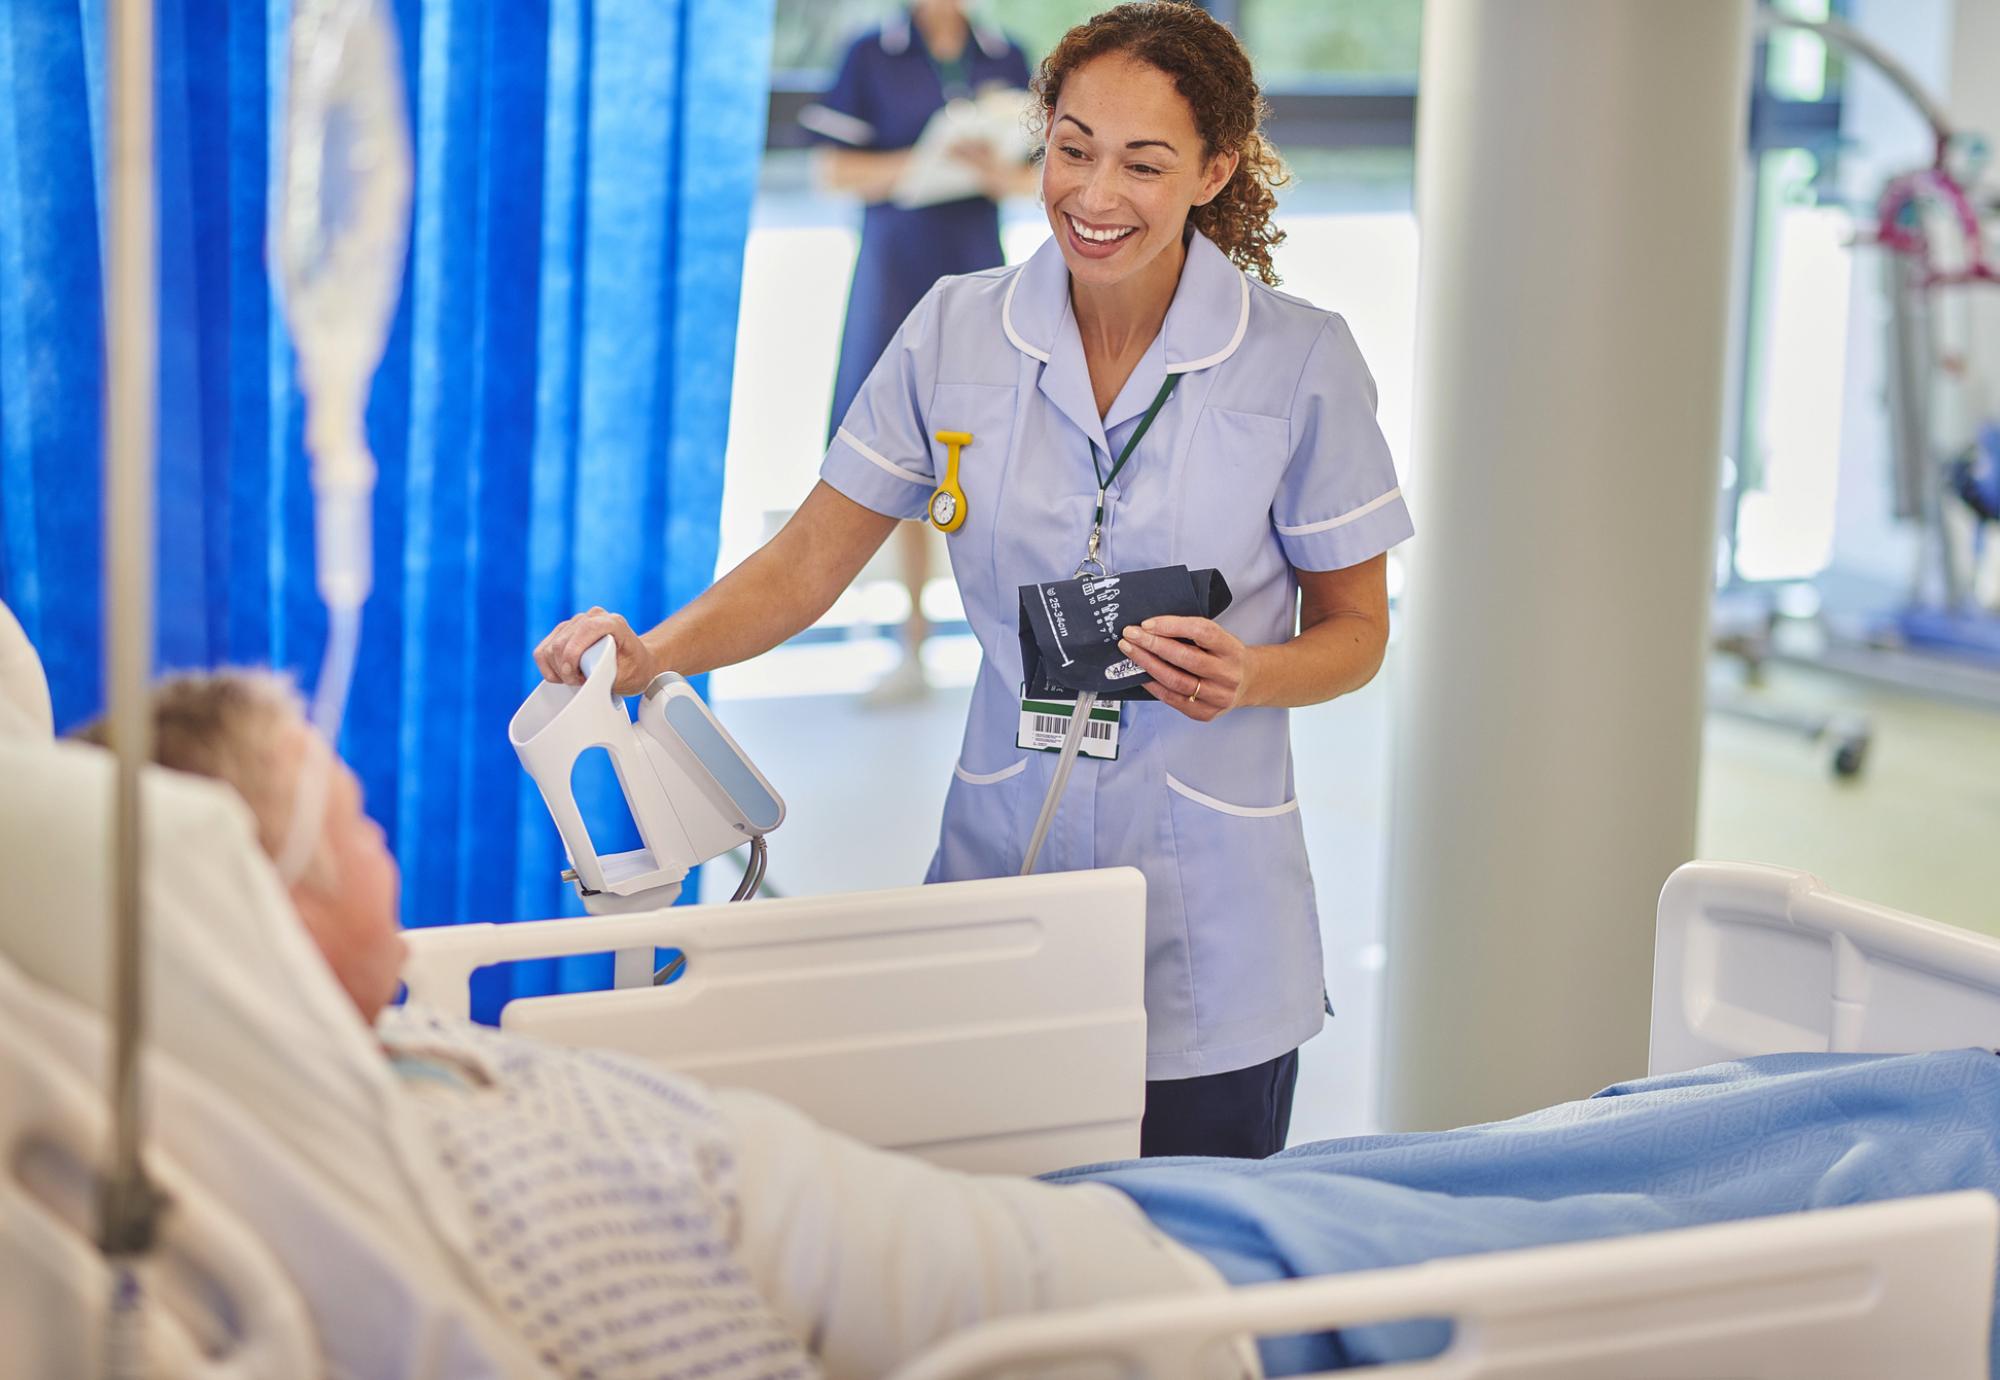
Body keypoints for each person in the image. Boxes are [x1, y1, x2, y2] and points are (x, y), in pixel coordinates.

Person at [77, 670, 2000, 1379]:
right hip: (1142, 1297)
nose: (384, 827)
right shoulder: (444, 1160)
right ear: (249, 905)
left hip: (1117, 1234)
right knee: (1687, 1202)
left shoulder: (370, 1088)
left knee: (1571, 1149)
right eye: (344, 815)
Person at [539, 1, 1413, 1160]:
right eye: (1070, 149)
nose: (1094, 196)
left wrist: (1251, 672)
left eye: (1143, 164)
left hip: (1210, 911)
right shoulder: (956, 330)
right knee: (1003, 1257)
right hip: (1003, 866)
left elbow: (1356, 632)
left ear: (1212, 171)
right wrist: (659, 650)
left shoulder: (1298, 358)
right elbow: (808, 559)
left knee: (1190, 1291)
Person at [802, 0, 1037, 704]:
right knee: (896, 450)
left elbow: (1037, 168)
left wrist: (994, 175)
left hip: (978, 269)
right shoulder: (872, 51)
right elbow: (834, 173)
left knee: (994, 451)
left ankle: (1015, 646)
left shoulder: (1005, 54)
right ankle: (912, 645)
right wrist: (928, 160)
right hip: (895, 274)